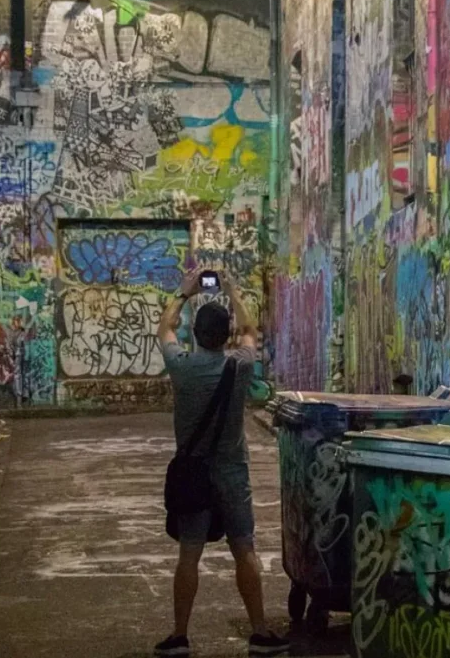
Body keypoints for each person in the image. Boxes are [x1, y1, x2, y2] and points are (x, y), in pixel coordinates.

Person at [154, 269, 290, 658]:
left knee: (189, 554)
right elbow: (250, 328)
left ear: (195, 334)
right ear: (225, 336)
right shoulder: (240, 365)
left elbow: (163, 328)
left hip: (193, 474)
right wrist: (231, 289)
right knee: (244, 548)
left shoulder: (180, 366)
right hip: (232, 471)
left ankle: (180, 635)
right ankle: (260, 631)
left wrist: (183, 293)